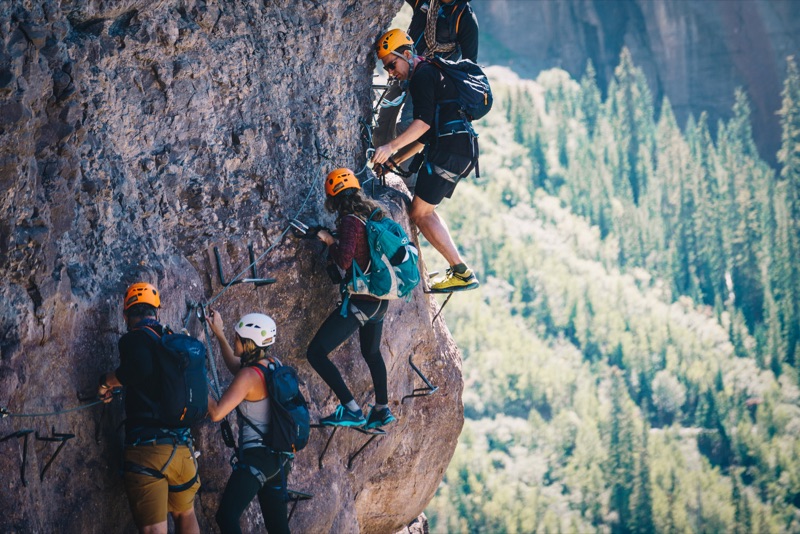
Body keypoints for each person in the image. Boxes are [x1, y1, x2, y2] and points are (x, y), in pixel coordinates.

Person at [371, 29, 480, 293]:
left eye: (392, 64)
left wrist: (389, 147)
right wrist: (394, 160)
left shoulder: (422, 76)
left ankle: (461, 272)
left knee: (420, 213)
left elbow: (422, 124)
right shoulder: (431, 72)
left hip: (450, 150)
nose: (390, 72)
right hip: (458, 149)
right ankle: (460, 270)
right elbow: (425, 134)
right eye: (385, 67)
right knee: (424, 210)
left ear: (407, 55)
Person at [97, 282, 201, 534]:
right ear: (156, 312)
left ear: (125, 315)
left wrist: (106, 382)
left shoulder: (133, 338)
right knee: (185, 514)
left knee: (155, 529)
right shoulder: (171, 340)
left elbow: (139, 369)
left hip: (148, 451)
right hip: (183, 452)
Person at [305, 168, 397, 429]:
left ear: (333, 199)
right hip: (380, 299)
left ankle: (352, 409)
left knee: (316, 353)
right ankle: (381, 409)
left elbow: (345, 260)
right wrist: (336, 240)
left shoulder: (349, 221)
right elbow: (360, 251)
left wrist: (327, 240)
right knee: (371, 351)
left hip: (362, 301)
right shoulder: (371, 216)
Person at [206, 309, 292, 534]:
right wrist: (220, 334)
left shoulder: (248, 377)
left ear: (249, 343)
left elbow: (216, 413)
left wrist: (191, 375)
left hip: (257, 459)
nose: (234, 340)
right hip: (279, 458)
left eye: (237, 338)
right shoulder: (273, 364)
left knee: (226, 517)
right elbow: (237, 366)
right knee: (278, 528)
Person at [372, 0, 479, 152]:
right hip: (403, 65)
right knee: (384, 120)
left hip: (429, 80)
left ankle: (401, 170)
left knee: (409, 124)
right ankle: (380, 163)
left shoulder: (465, 19)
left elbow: (470, 65)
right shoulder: (424, 1)